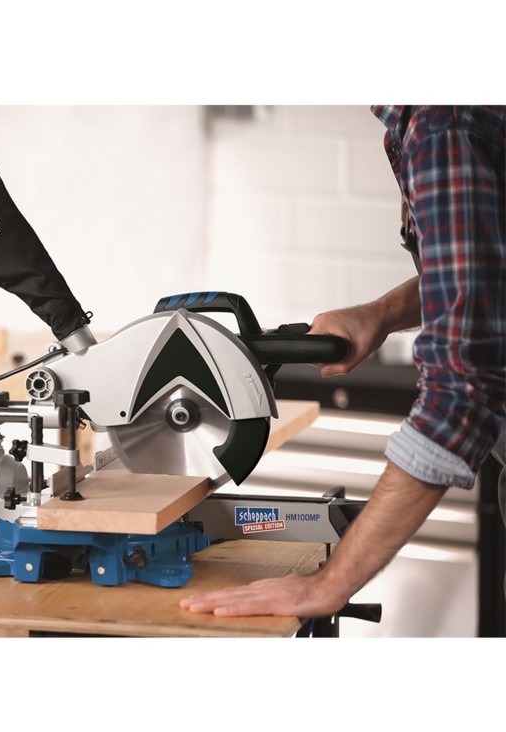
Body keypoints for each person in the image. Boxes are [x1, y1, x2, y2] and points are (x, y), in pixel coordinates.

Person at [180, 105, 505, 620]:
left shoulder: (442, 125)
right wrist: (381, 314)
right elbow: (484, 272)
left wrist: (327, 585)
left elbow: (461, 393)